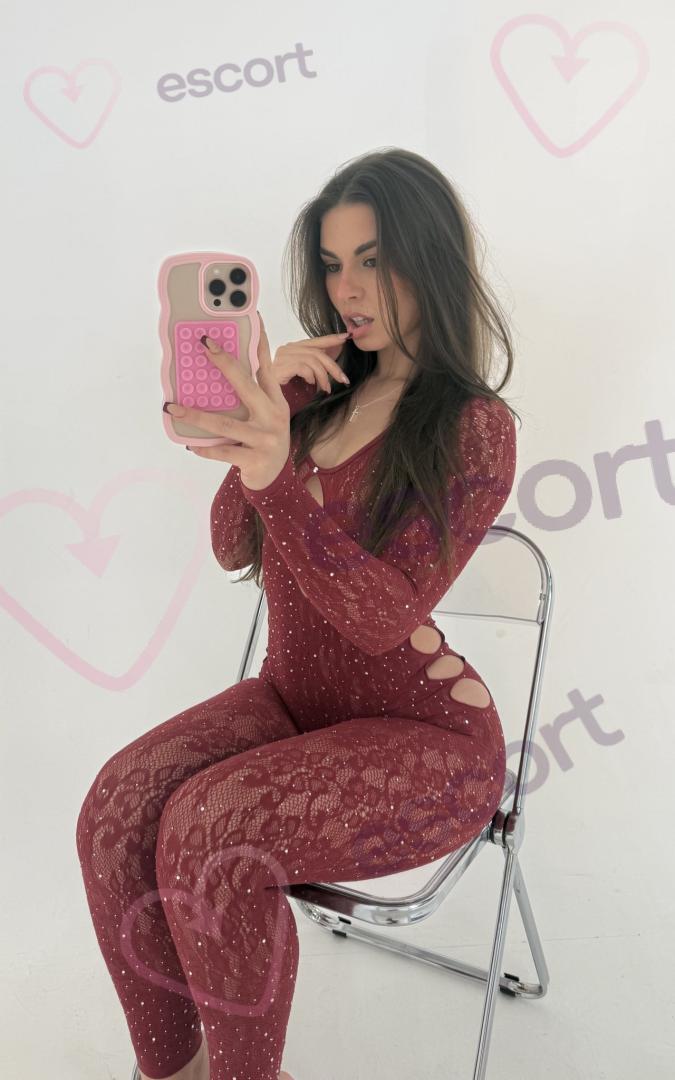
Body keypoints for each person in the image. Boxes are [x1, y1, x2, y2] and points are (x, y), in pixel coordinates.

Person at [76, 147, 520, 1080]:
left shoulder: (472, 427)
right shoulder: (319, 394)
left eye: (373, 260)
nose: (347, 289)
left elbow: (381, 617)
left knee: (212, 832)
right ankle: (172, 1070)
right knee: (116, 809)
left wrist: (280, 477)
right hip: (294, 702)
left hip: (425, 734)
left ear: (429, 259)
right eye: (331, 263)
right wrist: (272, 407)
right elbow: (230, 544)